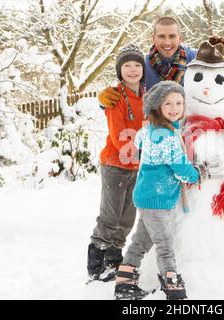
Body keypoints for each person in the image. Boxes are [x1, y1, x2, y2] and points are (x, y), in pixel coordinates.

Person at [113, 81, 218, 300]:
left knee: (141, 241)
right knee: (165, 244)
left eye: (179, 102)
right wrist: (197, 174)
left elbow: (143, 142)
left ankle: (124, 282)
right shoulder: (166, 137)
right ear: (156, 107)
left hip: (147, 197)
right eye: (167, 103)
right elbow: (179, 167)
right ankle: (173, 287)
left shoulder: (152, 130)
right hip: (156, 199)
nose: (175, 107)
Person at [87, 44, 146, 282]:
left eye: (137, 65)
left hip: (136, 166)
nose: (132, 70)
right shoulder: (114, 97)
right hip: (115, 164)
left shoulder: (147, 95)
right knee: (110, 216)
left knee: (127, 217)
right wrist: (137, 154)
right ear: (119, 70)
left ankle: (114, 259)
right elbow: (117, 134)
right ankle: (96, 263)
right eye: (127, 65)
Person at [98, 16, 224, 107]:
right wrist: (103, 100)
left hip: (190, 126)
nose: (167, 42)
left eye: (172, 36)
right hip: (155, 129)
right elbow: (126, 93)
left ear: (179, 38)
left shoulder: (195, 58)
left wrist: (220, 55)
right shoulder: (143, 64)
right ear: (153, 38)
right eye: (161, 36)